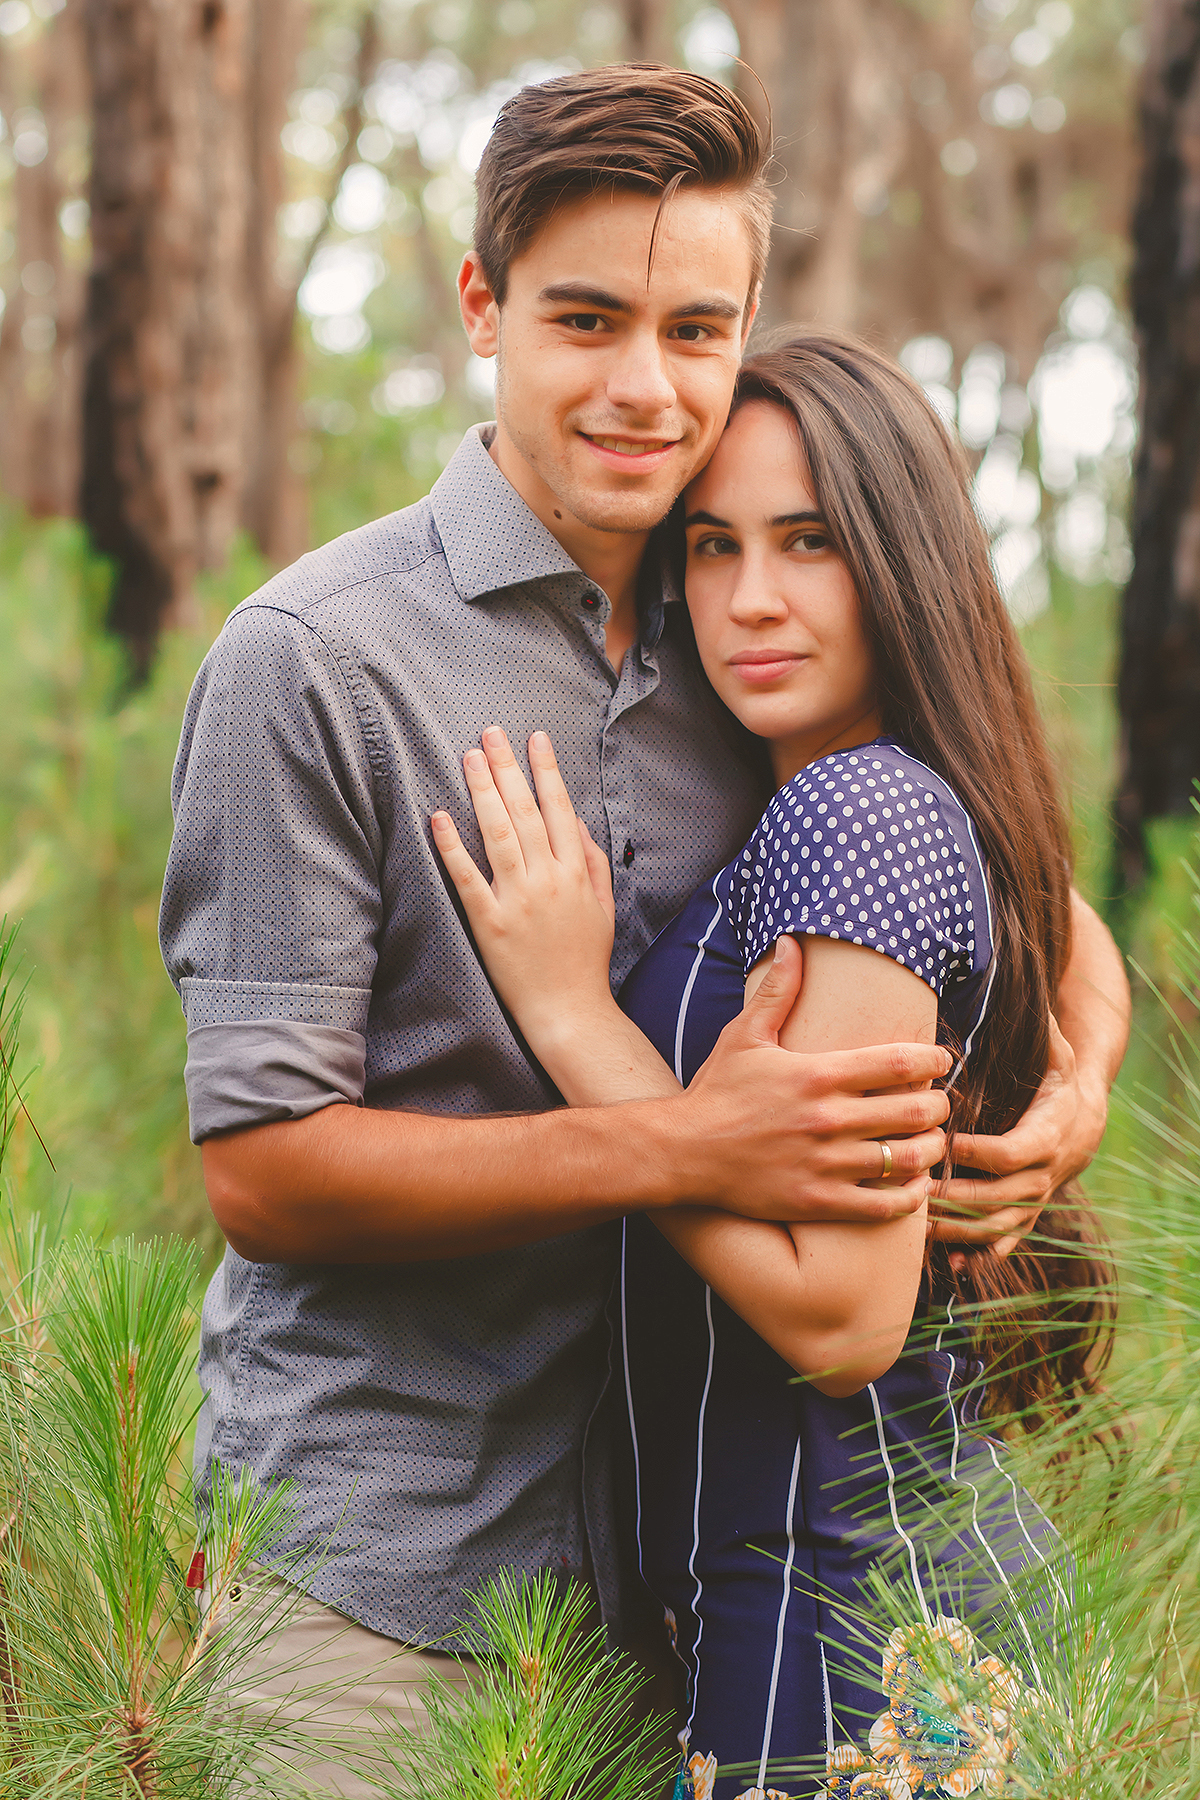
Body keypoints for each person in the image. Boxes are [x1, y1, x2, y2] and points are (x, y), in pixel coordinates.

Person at [158, 64, 1128, 1794]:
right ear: (484, 307)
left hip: (675, 1581)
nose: (642, 384)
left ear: (748, 321)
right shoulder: (312, 663)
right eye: (585, 317)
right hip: (382, 1574)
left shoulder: (743, 627)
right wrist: (683, 1135)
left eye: (695, 329)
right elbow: (265, 1169)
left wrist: (1074, 1080)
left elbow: (969, 841)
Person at [432, 334, 1116, 1799]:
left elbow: (843, 1319)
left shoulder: (857, 814)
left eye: (810, 544)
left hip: (850, 1634)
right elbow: (1078, 939)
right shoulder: (881, 786)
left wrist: (573, 1020)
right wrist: (1084, 1075)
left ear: (904, 560)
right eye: (714, 543)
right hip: (858, 1598)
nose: (750, 599)